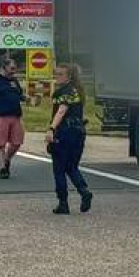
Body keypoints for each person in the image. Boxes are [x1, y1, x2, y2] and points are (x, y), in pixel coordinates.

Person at [46, 63, 93, 215]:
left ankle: (63, 203)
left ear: (69, 76)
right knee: (71, 166)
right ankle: (84, 191)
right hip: (78, 132)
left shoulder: (64, 92)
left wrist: (51, 129)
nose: (57, 76)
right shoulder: (77, 91)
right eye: (56, 73)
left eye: (60, 74)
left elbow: (61, 111)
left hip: (64, 132)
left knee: (59, 168)